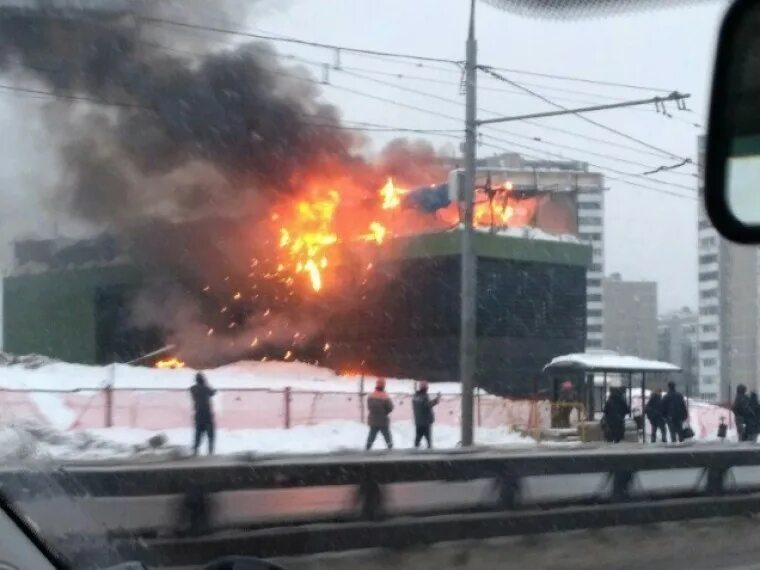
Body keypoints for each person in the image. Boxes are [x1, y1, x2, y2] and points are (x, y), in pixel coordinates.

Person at [190, 372, 217, 455]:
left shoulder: (193, 389)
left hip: (198, 414)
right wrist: (206, 384)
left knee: (198, 434)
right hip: (207, 414)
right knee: (210, 434)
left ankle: (195, 450)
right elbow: (212, 392)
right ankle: (210, 451)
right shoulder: (205, 388)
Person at [366, 377, 393, 450]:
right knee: (387, 435)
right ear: (384, 385)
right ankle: (390, 447)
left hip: (373, 419)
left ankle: (368, 447)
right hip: (383, 420)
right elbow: (390, 408)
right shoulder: (385, 396)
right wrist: (385, 412)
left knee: (372, 435)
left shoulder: (370, 396)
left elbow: (369, 407)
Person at [412, 381, 441, 449]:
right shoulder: (424, 396)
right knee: (428, 440)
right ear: (425, 388)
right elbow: (427, 405)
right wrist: (437, 399)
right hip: (426, 421)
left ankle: (415, 452)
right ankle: (429, 452)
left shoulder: (415, 396)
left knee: (418, 438)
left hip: (418, 421)